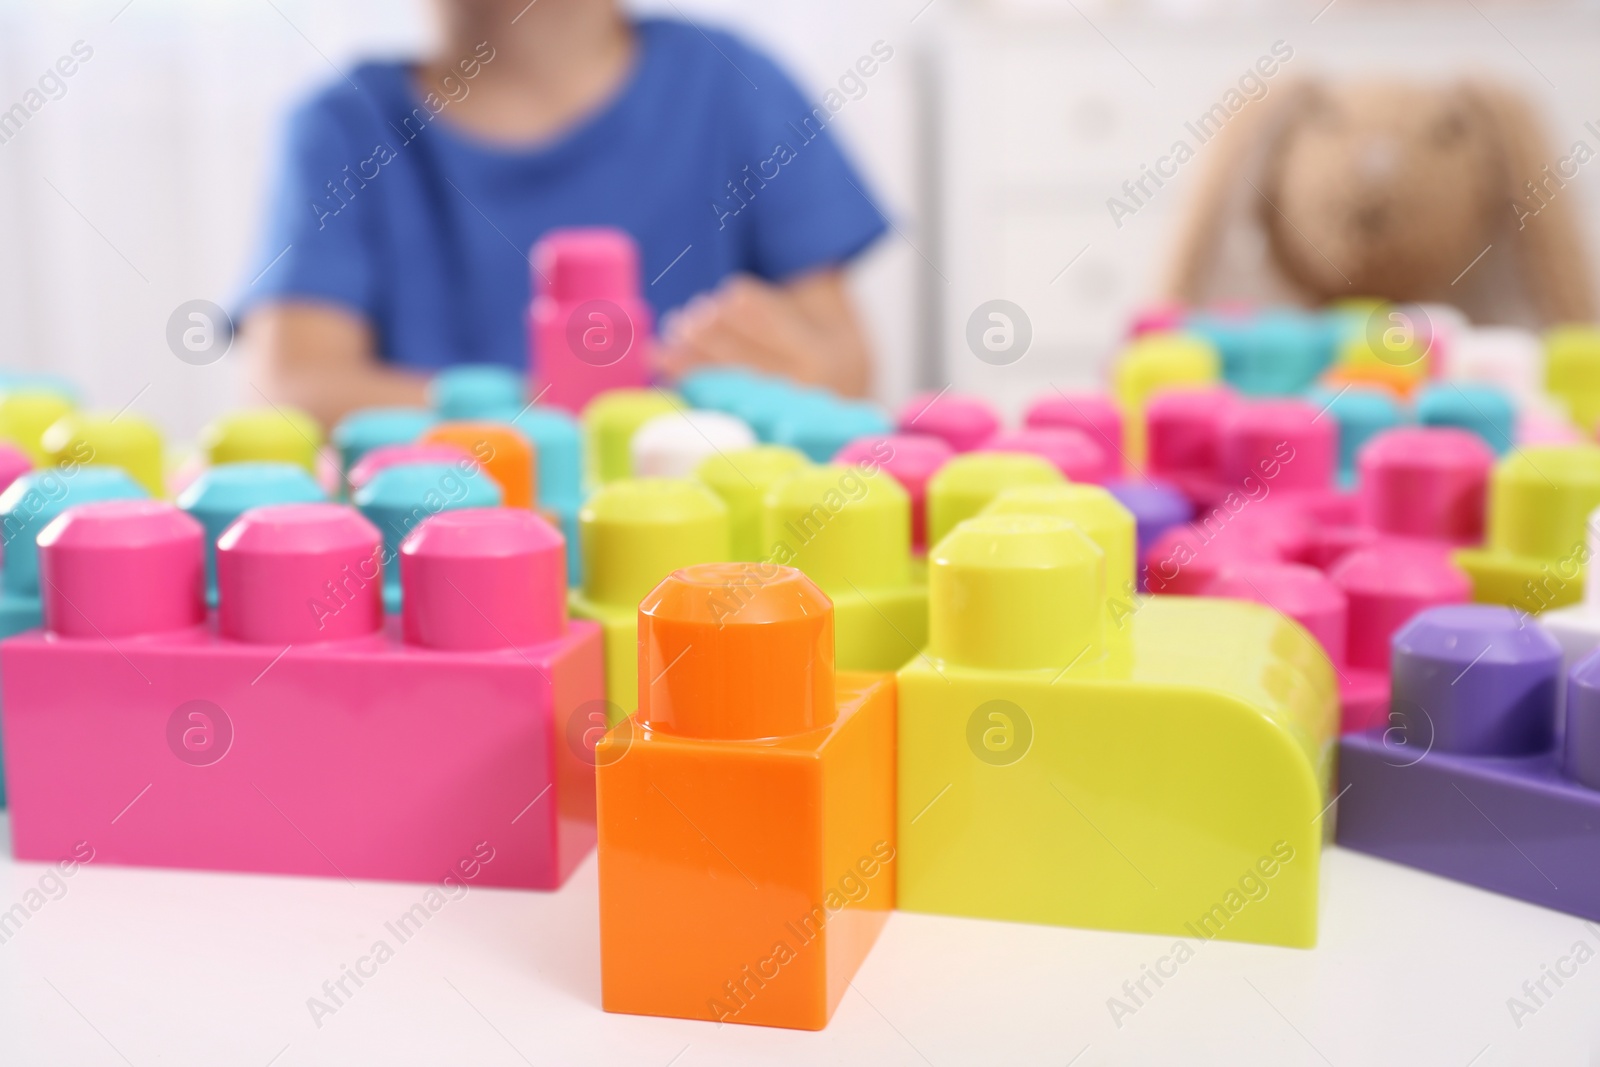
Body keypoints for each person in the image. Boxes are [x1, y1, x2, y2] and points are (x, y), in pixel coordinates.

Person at [239, 0, 888, 427]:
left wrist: (795, 378)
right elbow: (294, 386)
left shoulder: (736, 83)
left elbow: (845, 363)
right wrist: (576, 418)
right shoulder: (344, 127)